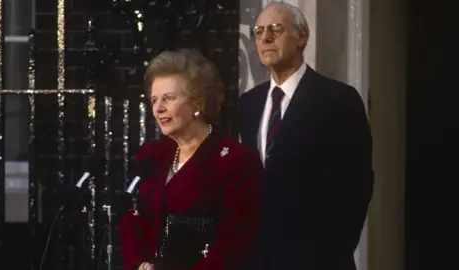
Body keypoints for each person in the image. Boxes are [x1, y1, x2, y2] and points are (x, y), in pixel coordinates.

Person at [238, 3, 374, 270]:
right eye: (259, 31)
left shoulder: (338, 100)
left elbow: (357, 186)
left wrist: (334, 252)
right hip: (261, 259)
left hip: (318, 259)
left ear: (301, 36)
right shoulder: (249, 103)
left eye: (276, 29)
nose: (265, 38)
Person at [118, 49, 262, 270]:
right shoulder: (151, 154)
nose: (158, 109)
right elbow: (132, 218)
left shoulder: (237, 160)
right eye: (154, 100)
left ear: (198, 102)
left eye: (169, 98)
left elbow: (237, 242)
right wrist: (140, 264)